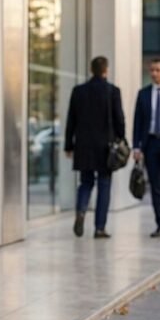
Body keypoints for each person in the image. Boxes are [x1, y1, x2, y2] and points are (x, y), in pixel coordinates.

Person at [64, 56, 125, 239]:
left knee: (85, 182)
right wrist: (122, 139)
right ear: (106, 70)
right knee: (104, 184)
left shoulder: (79, 91)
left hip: (83, 145)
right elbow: (119, 119)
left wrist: (69, 145)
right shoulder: (112, 91)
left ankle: (81, 211)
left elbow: (71, 121)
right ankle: (99, 228)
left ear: (92, 70)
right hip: (106, 147)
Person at [133, 57, 160, 237]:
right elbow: (138, 122)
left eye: (158, 70)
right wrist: (136, 147)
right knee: (155, 185)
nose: (154, 73)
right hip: (151, 143)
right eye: (152, 70)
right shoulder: (143, 94)